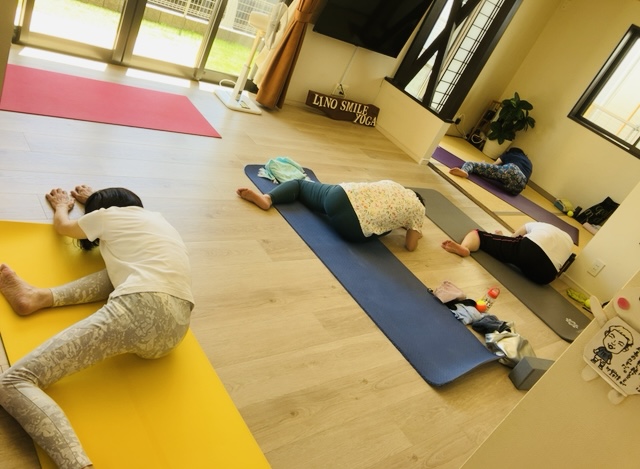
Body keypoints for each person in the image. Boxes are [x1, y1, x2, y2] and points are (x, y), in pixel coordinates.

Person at [0, 185, 194, 469]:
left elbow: (64, 228)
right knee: (119, 269)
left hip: (141, 308)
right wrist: (93, 200)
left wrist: (62, 206)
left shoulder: (107, 216)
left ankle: (77, 465)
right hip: (177, 328)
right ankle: (38, 298)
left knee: (13, 382)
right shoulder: (160, 221)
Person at [236, 179, 425, 251]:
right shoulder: (418, 209)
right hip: (352, 230)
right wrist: (414, 231)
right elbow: (410, 246)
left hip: (339, 197)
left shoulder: (394, 185)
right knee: (387, 229)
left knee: (300, 185)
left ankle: (268, 198)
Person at [441, 222, 573, 285]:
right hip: (545, 277)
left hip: (529, 250)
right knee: (523, 259)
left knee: (478, 234)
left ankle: (465, 247)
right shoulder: (570, 241)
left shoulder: (534, 224)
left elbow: (514, 238)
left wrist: (501, 237)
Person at [448, 147, 533, 195]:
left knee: (471, 164)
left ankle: (465, 171)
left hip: (511, 170)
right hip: (519, 187)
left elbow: (494, 165)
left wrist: (483, 165)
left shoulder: (510, 154)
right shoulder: (529, 163)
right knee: (503, 177)